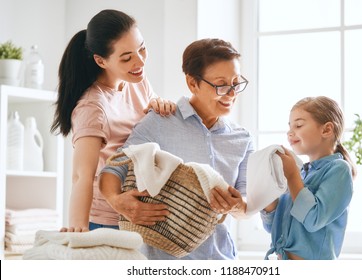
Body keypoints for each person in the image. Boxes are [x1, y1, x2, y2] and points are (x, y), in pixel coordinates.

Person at [99, 38, 254, 260]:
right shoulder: (160, 121)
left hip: (221, 259)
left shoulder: (242, 139)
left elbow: (246, 205)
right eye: (221, 85)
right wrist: (117, 200)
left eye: (236, 83)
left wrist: (237, 205)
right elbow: (114, 168)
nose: (231, 94)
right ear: (192, 83)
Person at [50, 9, 175, 232]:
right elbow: (81, 176)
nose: (139, 61)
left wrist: (159, 104)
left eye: (142, 48)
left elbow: (147, 114)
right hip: (107, 218)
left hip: (141, 211)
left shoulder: (137, 80)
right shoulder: (93, 107)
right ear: (101, 60)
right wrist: (78, 230)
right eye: (127, 58)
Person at [261, 96, 356, 260]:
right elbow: (272, 227)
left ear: (326, 130)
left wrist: (292, 177)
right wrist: (268, 197)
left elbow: (313, 220)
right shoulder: (301, 173)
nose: (290, 132)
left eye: (298, 125)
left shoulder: (339, 170)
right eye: (289, 126)